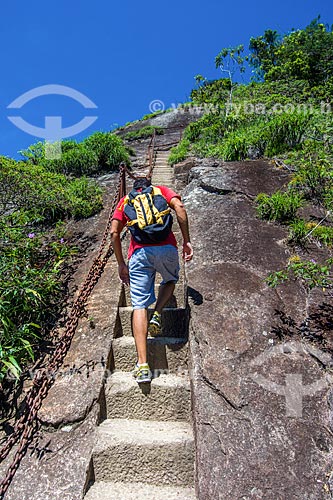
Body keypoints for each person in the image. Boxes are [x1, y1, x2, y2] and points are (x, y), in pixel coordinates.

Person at [111, 177, 193, 383]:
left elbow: (114, 232)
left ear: (134, 188)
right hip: (166, 249)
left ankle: (142, 365)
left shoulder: (125, 200)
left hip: (138, 253)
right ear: (149, 184)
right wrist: (186, 241)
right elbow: (180, 208)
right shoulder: (161, 190)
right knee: (170, 279)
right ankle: (157, 313)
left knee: (138, 305)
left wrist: (122, 264)